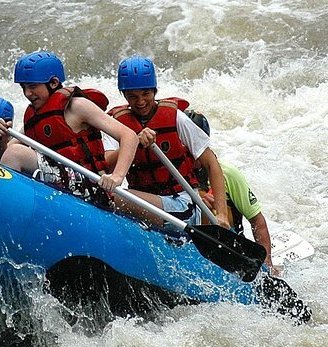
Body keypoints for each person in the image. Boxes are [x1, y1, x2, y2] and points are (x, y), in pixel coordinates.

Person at [0, 50, 139, 206]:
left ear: (53, 82)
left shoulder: (77, 106)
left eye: (33, 86)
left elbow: (129, 136)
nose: (28, 93)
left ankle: (6, 207)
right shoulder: (34, 117)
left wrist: (117, 176)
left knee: (16, 153)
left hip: (90, 186)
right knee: (13, 152)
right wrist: (1, 140)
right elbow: (3, 160)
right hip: (62, 180)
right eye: (24, 87)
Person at [104, 56, 230, 229]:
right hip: (148, 203)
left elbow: (211, 163)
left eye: (146, 94)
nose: (140, 102)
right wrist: (133, 142)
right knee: (102, 192)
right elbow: (106, 162)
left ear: (154, 91)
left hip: (182, 204)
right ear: (124, 95)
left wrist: (222, 215)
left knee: (114, 197)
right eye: (132, 96)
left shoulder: (177, 118)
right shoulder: (117, 124)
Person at [185, 110, 275, 271]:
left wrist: (267, 266)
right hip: (188, 243)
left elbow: (257, 221)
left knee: (211, 207)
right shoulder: (169, 172)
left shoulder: (227, 173)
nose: (189, 150)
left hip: (227, 245)